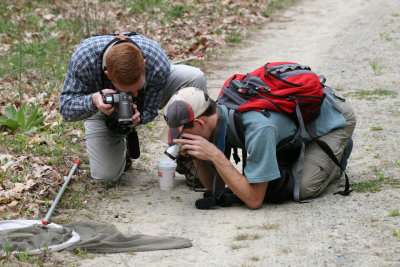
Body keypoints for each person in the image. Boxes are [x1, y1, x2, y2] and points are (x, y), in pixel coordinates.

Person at [162, 87, 356, 209]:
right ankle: (300, 148)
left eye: (183, 134)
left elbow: (254, 199)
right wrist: (197, 156)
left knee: (302, 188)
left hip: (335, 118)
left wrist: (214, 154)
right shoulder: (217, 117)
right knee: (273, 174)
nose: (180, 139)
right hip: (285, 129)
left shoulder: (256, 128)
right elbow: (218, 186)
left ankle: (339, 152)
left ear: (198, 123)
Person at [60, 32, 206, 183]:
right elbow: (66, 109)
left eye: (138, 88)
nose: (134, 95)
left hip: (151, 88)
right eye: (127, 92)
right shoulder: (84, 58)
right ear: (108, 76)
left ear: (144, 64)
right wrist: (93, 101)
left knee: (194, 77)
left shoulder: (155, 59)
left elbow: (150, 110)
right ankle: (122, 148)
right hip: (100, 106)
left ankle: (187, 153)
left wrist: (139, 117)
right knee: (106, 176)